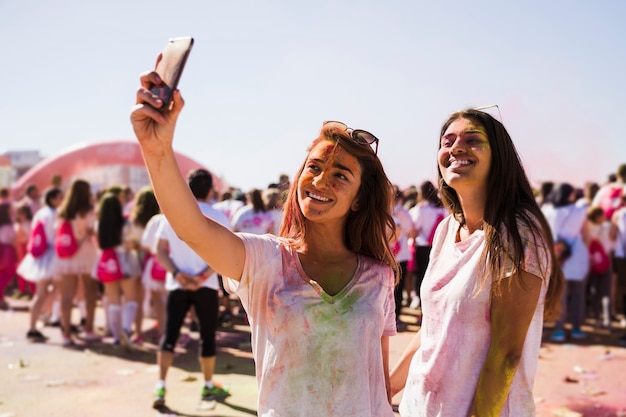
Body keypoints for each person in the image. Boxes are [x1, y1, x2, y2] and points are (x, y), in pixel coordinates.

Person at [131, 69, 398, 416]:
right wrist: (156, 151)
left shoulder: (379, 277)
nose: (319, 181)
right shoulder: (265, 260)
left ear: (360, 199)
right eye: (314, 167)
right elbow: (192, 229)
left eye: (340, 175)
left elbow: (378, 382)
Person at [390, 108, 563, 417]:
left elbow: (507, 352)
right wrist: (388, 389)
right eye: (448, 141)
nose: (457, 148)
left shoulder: (519, 233)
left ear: (499, 157)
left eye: (473, 140)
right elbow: (432, 330)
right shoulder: (446, 229)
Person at [151, 168, 232, 410]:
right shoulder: (218, 215)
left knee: (170, 336)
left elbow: (160, 250)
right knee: (207, 336)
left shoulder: (172, 214)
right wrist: (203, 275)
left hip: (178, 284)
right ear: (210, 190)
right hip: (205, 285)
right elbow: (226, 251)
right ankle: (207, 385)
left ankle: (160, 386)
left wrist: (177, 274)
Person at [52, 178, 100, 346]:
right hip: (86, 252)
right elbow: (93, 231)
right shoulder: (89, 210)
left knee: (67, 295)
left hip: (68, 255)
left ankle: (66, 333)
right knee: (90, 293)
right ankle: (88, 328)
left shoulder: (63, 212)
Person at [542, 182, 590, 341]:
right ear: (570, 195)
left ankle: (558, 330)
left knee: (559, 295)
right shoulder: (580, 212)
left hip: (555, 256)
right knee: (578, 294)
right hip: (577, 255)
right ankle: (576, 329)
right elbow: (586, 235)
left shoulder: (546, 211)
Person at [95, 192, 142, 347]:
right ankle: (126, 329)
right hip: (126, 262)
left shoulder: (100, 225)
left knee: (112, 301)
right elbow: (131, 243)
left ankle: (116, 338)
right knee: (131, 299)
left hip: (108, 263)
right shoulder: (126, 224)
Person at [18, 187, 64, 342]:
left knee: (43, 291)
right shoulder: (54, 215)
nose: (62, 201)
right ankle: (48, 317)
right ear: (52, 199)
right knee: (56, 290)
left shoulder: (40, 213)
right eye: (59, 198)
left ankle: (34, 323)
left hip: (40, 256)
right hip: (51, 254)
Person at [407, 180, 446, 309]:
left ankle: (421, 308)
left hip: (422, 247)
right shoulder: (442, 209)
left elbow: (413, 230)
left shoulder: (421, 209)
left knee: (421, 277)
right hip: (439, 247)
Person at [0, 202, 17, 310]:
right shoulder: (8, 225)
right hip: (7, 250)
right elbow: (13, 238)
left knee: (2, 274)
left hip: (2, 248)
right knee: (9, 273)